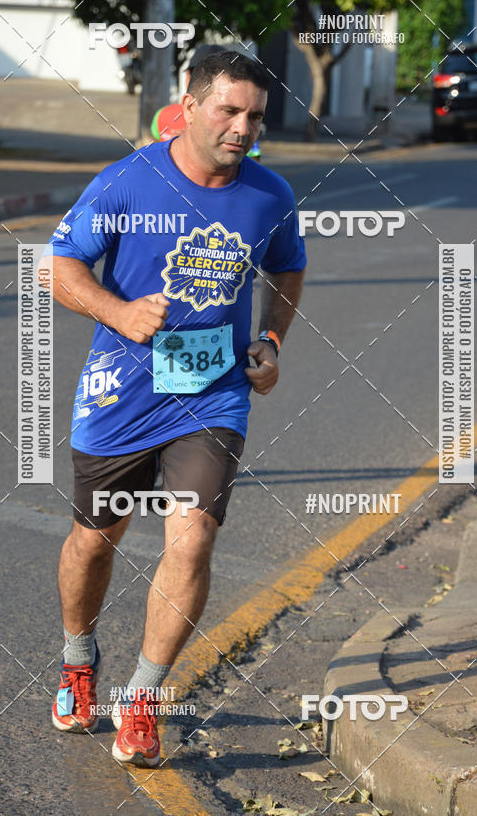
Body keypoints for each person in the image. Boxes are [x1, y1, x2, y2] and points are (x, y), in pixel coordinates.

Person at [42, 51, 306, 767]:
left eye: (255, 114)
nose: (243, 127)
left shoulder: (269, 194)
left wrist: (271, 339)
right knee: (95, 540)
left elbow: (288, 264)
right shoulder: (127, 183)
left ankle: (143, 701)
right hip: (121, 392)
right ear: (187, 106)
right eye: (229, 110)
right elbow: (59, 266)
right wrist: (118, 313)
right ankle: (77, 658)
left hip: (212, 393)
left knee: (191, 538)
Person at [150, 43, 262, 158]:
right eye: (196, 74)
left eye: (212, 75)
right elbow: (154, 158)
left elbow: (254, 163)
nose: (203, 80)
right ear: (187, 77)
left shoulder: (243, 122)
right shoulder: (163, 115)